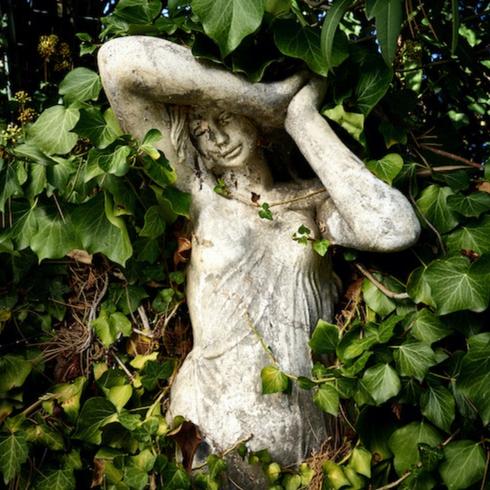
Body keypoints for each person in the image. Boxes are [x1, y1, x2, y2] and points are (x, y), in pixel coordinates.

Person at [98, 36, 420, 486]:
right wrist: (260, 97)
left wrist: (301, 119)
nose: (218, 138)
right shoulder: (199, 199)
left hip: (309, 438)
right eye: (202, 132)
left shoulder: (313, 203)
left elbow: (393, 228)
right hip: (205, 426)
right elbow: (118, 62)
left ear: (256, 126)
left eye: (226, 118)